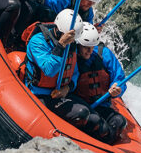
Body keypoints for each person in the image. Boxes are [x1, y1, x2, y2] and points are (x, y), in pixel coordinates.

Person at [23, 9, 114, 140]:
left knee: (98, 123)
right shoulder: (38, 42)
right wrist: (61, 45)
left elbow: (74, 73)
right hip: (40, 94)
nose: (73, 41)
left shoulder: (71, 44)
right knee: (82, 113)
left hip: (62, 93)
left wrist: (68, 88)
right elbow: (49, 70)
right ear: (60, 31)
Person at [75, 22, 127, 144]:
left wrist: (117, 89)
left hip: (101, 105)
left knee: (120, 122)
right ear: (78, 45)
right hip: (80, 105)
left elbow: (119, 78)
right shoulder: (71, 56)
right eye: (86, 47)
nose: (89, 51)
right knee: (95, 121)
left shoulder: (104, 54)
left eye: (92, 46)